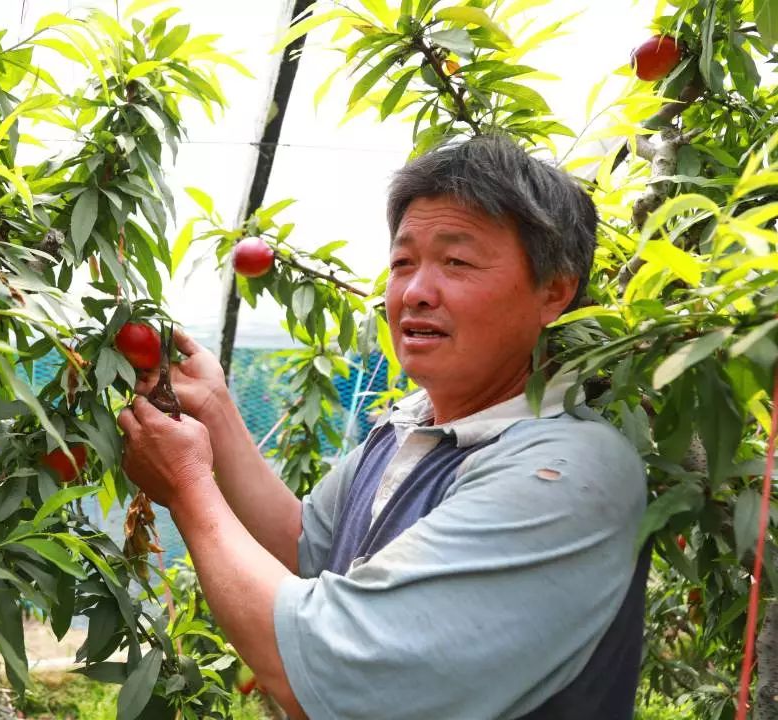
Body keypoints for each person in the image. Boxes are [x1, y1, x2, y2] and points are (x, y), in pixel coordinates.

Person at [118, 135, 649, 719]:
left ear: (554, 292)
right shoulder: (413, 428)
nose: (415, 292)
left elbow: (321, 669)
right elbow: (305, 548)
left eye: (458, 261)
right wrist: (216, 411)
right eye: (403, 262)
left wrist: (189, 487)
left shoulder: (569, 471)